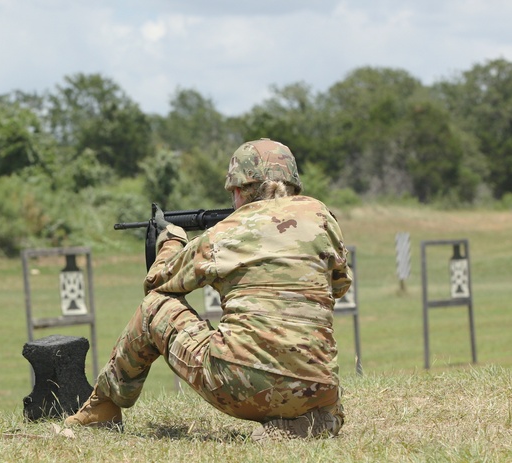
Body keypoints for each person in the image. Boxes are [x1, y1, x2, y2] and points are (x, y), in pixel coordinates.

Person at [65, 138, 352, 439]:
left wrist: (172, 241)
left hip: (243, 388)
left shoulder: (226, 232)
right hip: (319, 389)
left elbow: (158, 284)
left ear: (239, 190)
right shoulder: (321, 217)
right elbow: (339, 284)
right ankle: (309, 421)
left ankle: (103, 408)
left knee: (153, 309)